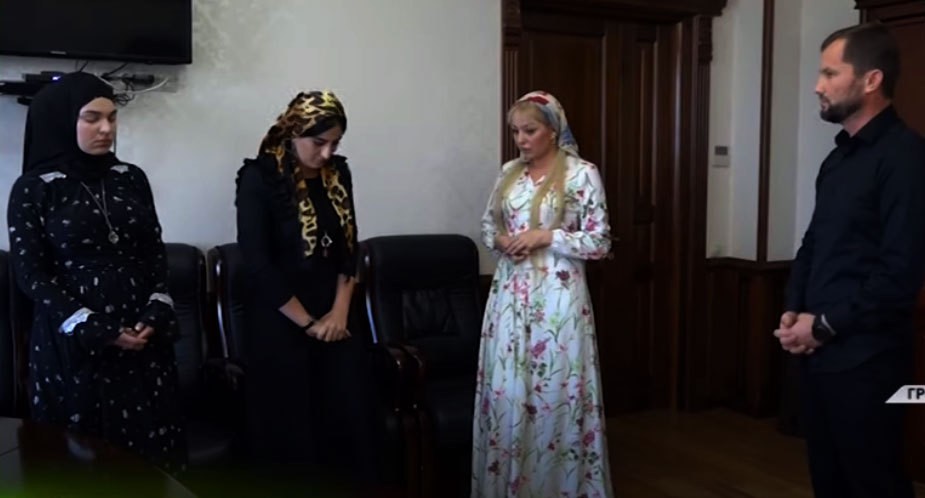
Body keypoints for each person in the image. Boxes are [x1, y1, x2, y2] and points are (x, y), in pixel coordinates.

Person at [7, 71, 187, 474]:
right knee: (83, 462)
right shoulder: (34, 188)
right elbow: (31, 274)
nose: (106, 129)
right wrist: (94, 325)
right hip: (74, 344)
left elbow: (153, 253)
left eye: (112, 117)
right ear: (62, 120)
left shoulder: (130, 178)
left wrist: (155, 310)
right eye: (91, 118)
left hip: (143, 339)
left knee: (149, 460)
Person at [775, 23, 925, 498]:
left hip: (871, 360)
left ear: (871, 79)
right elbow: (814, 243)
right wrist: (794, 310)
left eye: (829, 73)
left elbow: (900, 272)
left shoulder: (906, 158)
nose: (817, 86)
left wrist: (822, 325)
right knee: (829, 479)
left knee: (875, 482)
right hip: (818, 355)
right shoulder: (836, 161)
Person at [472, 90, 614, 498]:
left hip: (558, 298)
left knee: (554, 390)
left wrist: (547, 236)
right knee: (510, 388)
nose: (521, 139)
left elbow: (600, 242)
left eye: (529, 130)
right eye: (515, 131)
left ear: (553, 130)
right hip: (509, 295)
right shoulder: (509, 172)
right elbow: (487, 226)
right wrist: (502, 240)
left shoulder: (581, 174)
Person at [234, 90, 376, 482]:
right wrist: (309, 324)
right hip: (281, 319)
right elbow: (257, 262)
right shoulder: (259, 177)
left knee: (348, 423)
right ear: (294, 132)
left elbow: (349, 247)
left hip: (337, 319)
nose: (327, 153)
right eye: (318, 142)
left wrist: (339, 313)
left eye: (335, 143)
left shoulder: (338, 173)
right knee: (292, 433)